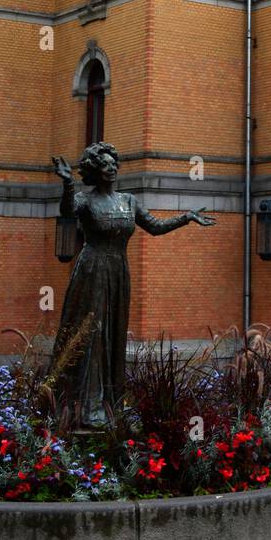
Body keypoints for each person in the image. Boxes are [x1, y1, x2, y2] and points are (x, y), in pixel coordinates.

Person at [48, 142, 214, 425]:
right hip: (92, 269)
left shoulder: (129, 201)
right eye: (104, 164)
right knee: (93, 332)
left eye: (114, 163)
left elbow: (155, 227)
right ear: (94, 170)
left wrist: (186, 218)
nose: (111, 168)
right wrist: (67, 184)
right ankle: (86, 406)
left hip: (118, 271)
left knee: (114, 331)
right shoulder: (86, 200)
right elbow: (67, 211)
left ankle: (111, 404)